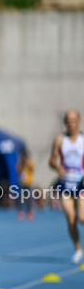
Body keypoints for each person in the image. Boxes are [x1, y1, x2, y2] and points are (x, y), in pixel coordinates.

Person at [49, 109, 84, 264]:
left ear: (79, 121)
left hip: (81, 184)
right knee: (71, 218)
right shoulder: (59, 140)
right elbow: (51, 160)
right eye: (68, 120)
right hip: (65, 185)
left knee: (82, 218)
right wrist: (57, 168)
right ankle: (78, 250)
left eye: (73, 120)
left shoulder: (82, 140)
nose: (70, 123)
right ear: (64, 123)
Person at [17, 149, 36, 221]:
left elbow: (33, 168)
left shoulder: (30, 162)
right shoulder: (20, 163)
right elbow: (17, 169)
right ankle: (21, 211)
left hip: (28, 183)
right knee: (21, 198)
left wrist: (27, 162)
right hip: (21, 183)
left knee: (28, 198)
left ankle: (29, 211)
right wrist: (22, 162)